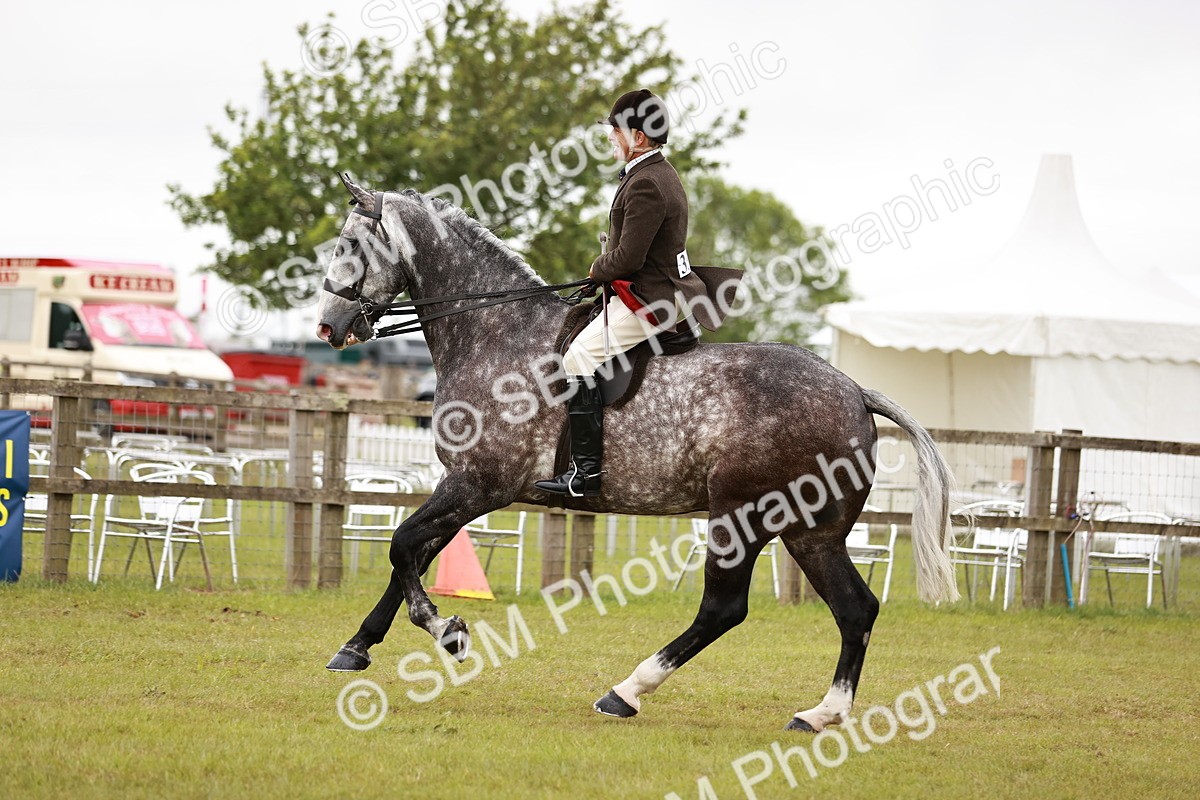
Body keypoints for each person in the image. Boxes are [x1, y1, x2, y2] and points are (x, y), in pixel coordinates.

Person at [536, 88, 714, 499]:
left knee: (577, 356)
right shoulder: (653, 174)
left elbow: (629, 258)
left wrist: (597, 268)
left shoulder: (648, 183)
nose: (612, 139)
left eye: (616, 131)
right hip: (643, 291)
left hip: (651, 301)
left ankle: (585, 475)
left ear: (637, 136)